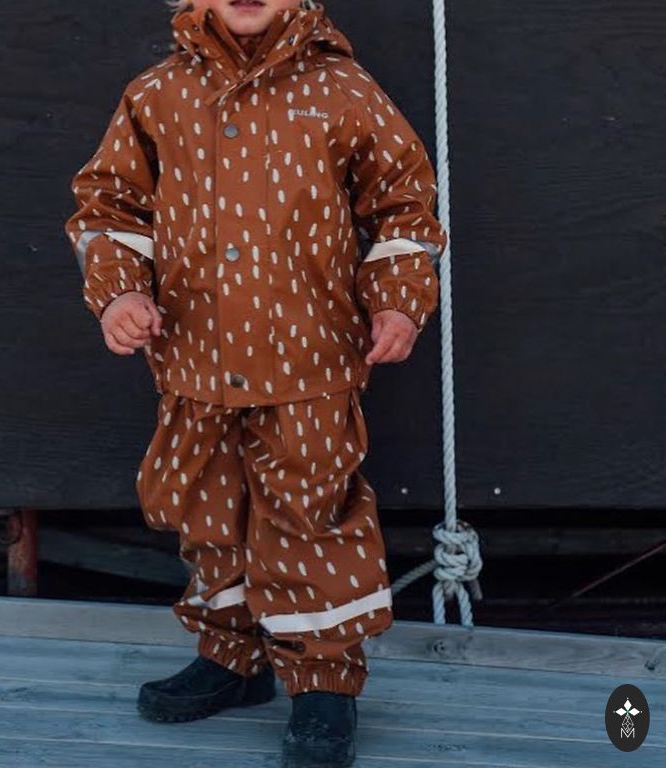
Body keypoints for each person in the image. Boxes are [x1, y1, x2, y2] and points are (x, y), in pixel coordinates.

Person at [64, 1, 448, 765]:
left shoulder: (341, 89)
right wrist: (119, 293)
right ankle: (232, 657)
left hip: (309, 361)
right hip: (194, 360)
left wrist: (398, 301)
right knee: (207, 509)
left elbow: (403, 202)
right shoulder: (157, 94)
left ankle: (322, 685)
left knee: (310, 516)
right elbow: (110, 205)